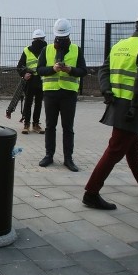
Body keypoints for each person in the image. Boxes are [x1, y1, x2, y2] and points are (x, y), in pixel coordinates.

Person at [82, 11, 138, 210]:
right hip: (132, 105)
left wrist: (106, 90)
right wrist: (136, 106)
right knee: (115, 150)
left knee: (132, 147)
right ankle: (91, 192)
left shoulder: (121, 44)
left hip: (117, 102)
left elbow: (104, 70)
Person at [36, 18, 87, 172]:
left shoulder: (77, 50)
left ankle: (68, 158)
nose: (60, 41)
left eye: (63, 38)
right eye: (59, 38)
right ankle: (48, 155)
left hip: (68, 94)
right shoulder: (47, 49)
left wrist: (70, 70)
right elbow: (39, 70)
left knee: (68, 127)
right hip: (51, 93)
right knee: (50, 126)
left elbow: (83, 71)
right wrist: (53, 68)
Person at [17, 29, 46, 134]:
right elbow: (20, 66)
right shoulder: (27, 50)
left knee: (37, 103)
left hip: (41, 80)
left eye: (40, 39)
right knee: (29, 103)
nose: (39, 40)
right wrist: (24, 74)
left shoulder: (47, 50)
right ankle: (28, 124)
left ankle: (34, 124)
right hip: (31, 80)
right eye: (38, 39)